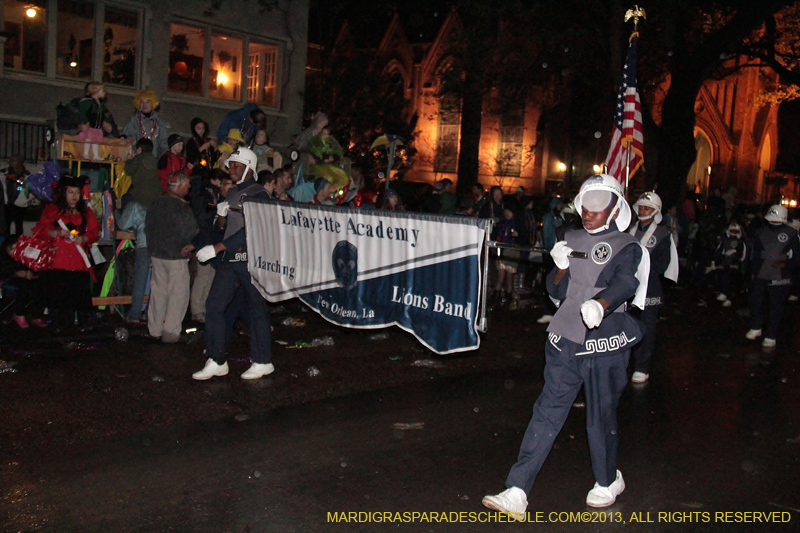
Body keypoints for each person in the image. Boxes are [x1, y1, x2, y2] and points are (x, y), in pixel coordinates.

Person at [482, 174, 648, 516]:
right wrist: (559, 268)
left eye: (598, 207)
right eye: (585, 205)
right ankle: (517, 488)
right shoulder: (569, 237)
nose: (588, 213)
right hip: (566, 337)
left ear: (615, 210)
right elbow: (556, 290)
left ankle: (607, 480)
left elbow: (625, 283)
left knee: (599, 415)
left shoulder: (627, 246)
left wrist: (600, 305)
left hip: (605, 341)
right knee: (547, 411)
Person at [192, 147, 275, 380]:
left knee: (257, 309)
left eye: (238, 165)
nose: (232, 169)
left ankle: (263, 360)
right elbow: (224, 229)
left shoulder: (260, 194)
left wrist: (218, 248)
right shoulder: (232, 193)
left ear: (249, 167)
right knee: (214, 306)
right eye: (231, 165)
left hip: (251, 260)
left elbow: (253, 230)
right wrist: (220, 218)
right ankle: (217, 359)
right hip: (230, 260)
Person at [32, 175, 100, 332]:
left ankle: (81, 325)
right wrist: (57, 232)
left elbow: (94, 232)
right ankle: (58, 325)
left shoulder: (86, 212)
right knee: (58, 294)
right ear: (64, 193)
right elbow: (41, 231)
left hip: (78, 261)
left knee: (78, 293)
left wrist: (83, 238)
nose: (74, 196)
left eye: (77, 192)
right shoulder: (52, 211)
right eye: (70, 192)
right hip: (58, 260)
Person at [627, 192, 678, 384]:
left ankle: (642, 367)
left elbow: (662, 263)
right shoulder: (629, 231)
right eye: (640, 207)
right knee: (626, 326)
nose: (642, 211)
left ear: (655, 212)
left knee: (647, 329)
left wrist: (641, 271)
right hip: (628, 287)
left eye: (646, 208)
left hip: (649, 288)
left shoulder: (662, 234)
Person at [144, 171, 198, 343]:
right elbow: (190, 231)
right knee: (177, 295)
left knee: (158, 293)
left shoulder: (157, 203)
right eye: (187, 184)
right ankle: (171, 332)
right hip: (177, 256)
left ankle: (155, 329)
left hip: (157, 255)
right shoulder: (182, 207)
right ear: (180, 185)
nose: (189, 187)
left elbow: (148, 227)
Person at [745, 204, 800, 348]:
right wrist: (752, 272)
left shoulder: (791, 234)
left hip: (780, 275)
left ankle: (771, 334)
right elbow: (755, 254)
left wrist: (785, 264)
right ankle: (756, 327)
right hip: (761, 272)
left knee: (776, 305)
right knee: (755, 300)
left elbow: (797, 257)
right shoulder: (761, 232)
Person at [115, 198, 149, 323]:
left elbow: (122, 224)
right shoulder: (157, 203)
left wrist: (117, 210)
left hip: (144, 244)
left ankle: (134, 314)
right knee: (156, 283)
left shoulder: (134, 205)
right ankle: (150, 314)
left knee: (140, 281)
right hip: (159, 245)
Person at [537, 197, 565, 324]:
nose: (561, 206)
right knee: (549, 280)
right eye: (559, 204)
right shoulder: (549, 217)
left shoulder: (559, 217)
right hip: (550, 253)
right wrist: (549, 250)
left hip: (558, 253)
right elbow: (548, 234)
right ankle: (548, 310)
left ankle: (554, 310)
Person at [121, 90, 169, 158]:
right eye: (141, 102)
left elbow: (164, 144)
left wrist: (163, 158)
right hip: (137, 159)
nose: (144, 105)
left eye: (147, 102)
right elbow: (126, 138)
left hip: (154, 159)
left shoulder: (159, 122)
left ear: (152, 104)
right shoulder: (133, 120)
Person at [77, 81, 118, 160]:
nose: (105, 92)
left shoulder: (100, 104)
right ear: (96, 91)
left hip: (97, 127)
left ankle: (95, 155)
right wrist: (86, 121)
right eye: (103, 90)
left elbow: (102, 115)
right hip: (91, 126)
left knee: (96, 140)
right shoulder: (88, 102)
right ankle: (85, 153)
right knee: (88, 139)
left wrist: (103, 121)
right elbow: (82, 112)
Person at [714, 221, 747, 307]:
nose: (733, 233)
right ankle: (723, 293)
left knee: (730, 280)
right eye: (732, 230)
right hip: (724, 263)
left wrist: (735, 255)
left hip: (734, 265)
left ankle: (729, 298)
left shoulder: (740, 242)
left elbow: (742, 255)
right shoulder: (724, 240)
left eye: (735, 231)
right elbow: (719, 250)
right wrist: (718, 260)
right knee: (721, 278)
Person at [124, 138, 162, 209]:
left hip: (140, 195)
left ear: (139, 149)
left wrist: (129, 160)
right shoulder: (155, 160)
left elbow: (128, 171)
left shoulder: (138, 159)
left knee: (124, 198)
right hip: (156, 195)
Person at [2, 155, 30, 235]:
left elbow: (23, 190)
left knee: (19, 226)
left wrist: (19, 186)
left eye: (12, 161)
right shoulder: (4, 173)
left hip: (19, 205)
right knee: (6, 226)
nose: (10, 163)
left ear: (19, 162)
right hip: (7, 204)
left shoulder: (26, 175)